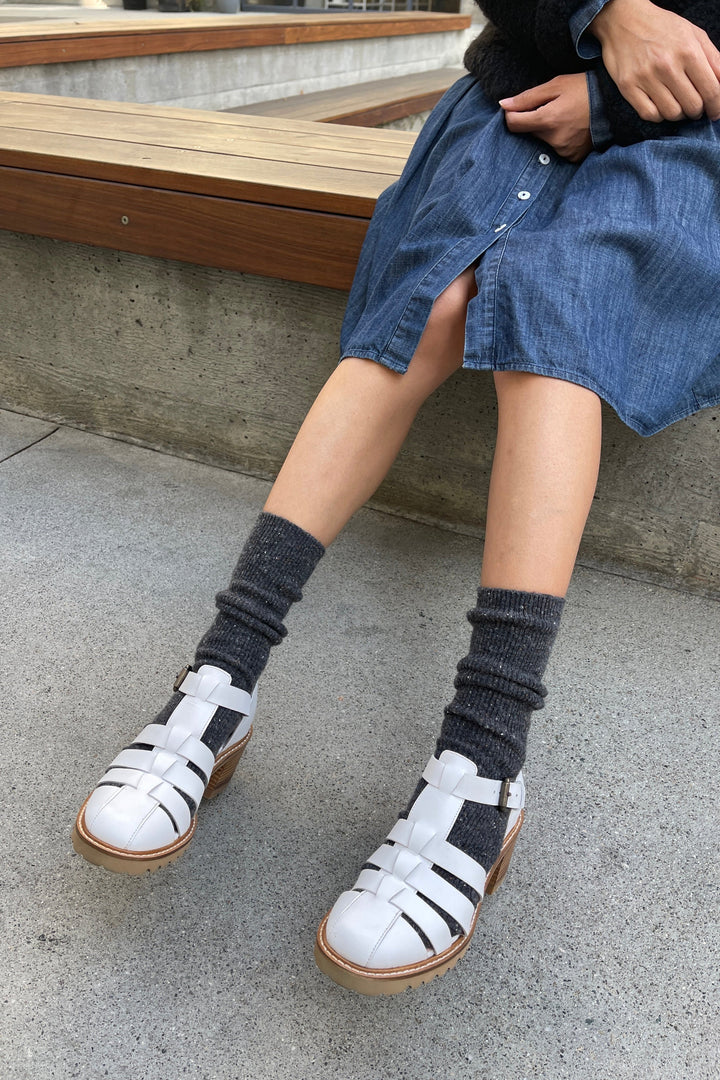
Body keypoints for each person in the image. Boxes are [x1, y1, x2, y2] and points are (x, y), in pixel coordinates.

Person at [72, 0, 720, 996]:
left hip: (685, 137)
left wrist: (616, 103)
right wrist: (607, 15)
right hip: (514, 102)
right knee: (430, 308)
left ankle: (484, 760)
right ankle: (220, 679)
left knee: (559, 326)